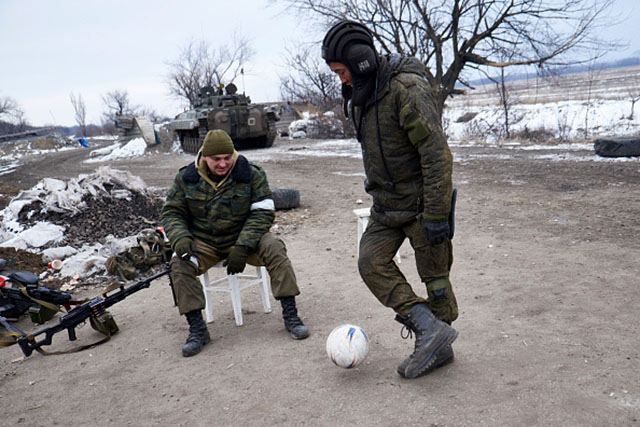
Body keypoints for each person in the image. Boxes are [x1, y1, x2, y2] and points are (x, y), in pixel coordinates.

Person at [322, 21, 459, 379]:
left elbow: (436, 155)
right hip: (386, 206)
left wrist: (436, 214)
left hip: (421, 205)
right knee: (371, 262)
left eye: (341, 71)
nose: (342, 80)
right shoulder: (362, 96)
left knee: (437, 282)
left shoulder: (406, 89)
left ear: (360, 61)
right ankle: (429, 328)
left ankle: (436, 346)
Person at [161, 129, 310, 357]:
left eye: (227, 158)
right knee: (179, 265)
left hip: (244, 239)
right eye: (216, 159)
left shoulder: (250, 173)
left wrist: (243, 246)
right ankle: (197, 330)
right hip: (205, 243)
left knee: (275, 248)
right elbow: (172, 212)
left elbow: (263, 212)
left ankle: (291, 315)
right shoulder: (186, 178)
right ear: (204, 157)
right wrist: (180, 237)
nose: (223, 164)